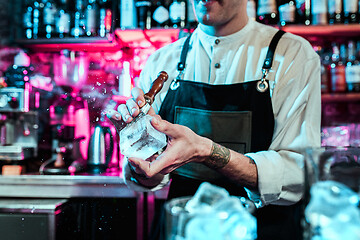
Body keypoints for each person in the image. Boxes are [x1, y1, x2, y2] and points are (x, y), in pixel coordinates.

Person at [107, 0, 321, 239]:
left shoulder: (292, 55)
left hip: (263, 230)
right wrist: (142, 151)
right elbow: (149, 177)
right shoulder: (162, 61)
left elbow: (297, 175)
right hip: (183, 231)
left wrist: (206, 151)